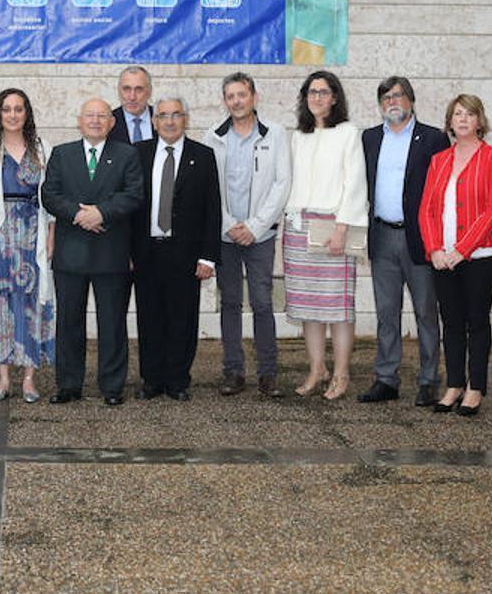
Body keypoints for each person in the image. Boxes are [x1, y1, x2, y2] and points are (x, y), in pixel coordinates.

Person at [41, 97, 144, 405]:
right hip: (70, 253)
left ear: (112, 122)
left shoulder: (127, 154)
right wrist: (78, 214)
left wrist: (101, 213)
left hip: (111, 252)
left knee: (112, 323)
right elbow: (49, 194)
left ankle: (112, 387)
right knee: (68, 322)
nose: (96, 120)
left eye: (102, 116)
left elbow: (134, 194)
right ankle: (68, 385)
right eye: (90, 115)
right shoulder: (62, 154)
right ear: (80, 120)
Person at [358, 76, 450, 407]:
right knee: (386, 312)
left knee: (426, 311)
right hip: (382, 235)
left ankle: (428, 380)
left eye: (398, 96)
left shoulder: (434, 139)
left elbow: (442, 190)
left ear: (411, 100)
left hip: (420, 238)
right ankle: (386, 378)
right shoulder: (369, 138)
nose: (391, 102)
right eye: (385, 98)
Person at [203, 73, 291, 397]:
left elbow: (282, 184)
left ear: (254, 96)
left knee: (262, 302)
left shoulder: (276, 134)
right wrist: (228, 224)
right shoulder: (213, 136)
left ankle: (268, 375)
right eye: (230, 96)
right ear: (224, 100)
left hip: (260, 236)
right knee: (229, 303)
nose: (236, 101)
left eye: (242, 94)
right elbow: (209, 186)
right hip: (226, 236)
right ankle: (233, 372)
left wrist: (254, 226)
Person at [418, 94, 492, 417]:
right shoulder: (438, 160)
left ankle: (475, 387)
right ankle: (454, 384)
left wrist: (461, 250)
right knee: (451, 322)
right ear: (450, 122)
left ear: (480, 121)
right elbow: (427, 209)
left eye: (470, 114)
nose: (463, 119)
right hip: (443, 257)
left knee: (476, 321)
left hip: (482, 255)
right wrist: (435, 249)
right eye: (457, 114)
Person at [283, 71, 368, 400]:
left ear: (335, 97)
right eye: (311, 92)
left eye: (323, 92)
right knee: (308, 307)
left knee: (337, 308)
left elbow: (355, 182)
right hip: (299, 226)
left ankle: (342, 373)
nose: (317, 97)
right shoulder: (298, 136)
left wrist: (342, 228)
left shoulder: (348, 133)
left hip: (333, 226)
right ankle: (317, 368)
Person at [0, 89, 55, 403]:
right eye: (7, 109)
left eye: (19, 109)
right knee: (0, 307)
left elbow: (52, 198)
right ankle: (4, 379)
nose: (13, 114)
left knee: (32, 305)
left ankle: (30, 380)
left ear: (27, 113)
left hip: (33, 235)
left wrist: (50, 236)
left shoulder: (43, 148)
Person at [132, 97, 221, 401]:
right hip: (146, 251)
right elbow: (131, 206)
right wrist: (127, 252)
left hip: (185, 252)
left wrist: (208, 257)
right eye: (163, 116)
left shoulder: (203, 156)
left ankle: (178, 380)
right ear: (154, 121)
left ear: (186, 119)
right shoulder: (138, 154)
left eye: (176, 115)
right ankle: (152, 379)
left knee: (182, 318)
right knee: (149, 316)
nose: (169, 121)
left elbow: (213, 209)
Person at [108, 65, 154, 144]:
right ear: (118, 91)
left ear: (149, 91)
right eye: (126, 89)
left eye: (139, 89)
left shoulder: (163, 119)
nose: (132, 97)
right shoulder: (108, 122)